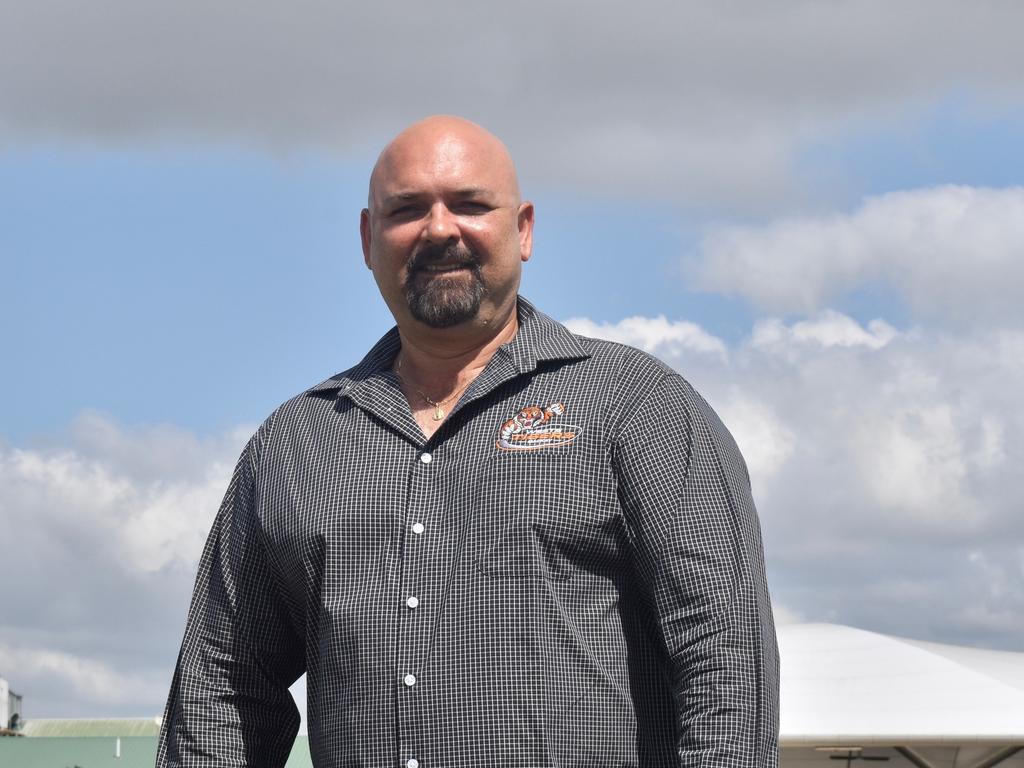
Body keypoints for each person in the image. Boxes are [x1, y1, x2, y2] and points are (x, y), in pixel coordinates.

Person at [156, 116, 779, 768]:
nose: (439, 229)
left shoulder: (636, 405)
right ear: (369, 239)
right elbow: (222, 690)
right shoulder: (295, 445)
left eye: (471, 204)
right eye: (406, 210)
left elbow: (724, 650)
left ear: (524, 229)